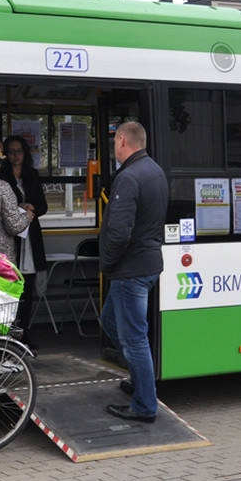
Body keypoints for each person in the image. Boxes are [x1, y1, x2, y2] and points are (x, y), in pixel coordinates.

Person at [100, 121, 167, 423]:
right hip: (146, 264)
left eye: (115, 141)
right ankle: (141, 382)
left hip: (129, 269)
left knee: (134, 338)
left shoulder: (128, 177)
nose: (114, 147)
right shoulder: (155, 170)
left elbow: (119, 232)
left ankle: (144, 405)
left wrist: (106, 264)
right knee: (110, 321)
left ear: (123, 140)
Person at [0, 135, 47, 349]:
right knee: (10, 290)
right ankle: (7, 336)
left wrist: (31, 207)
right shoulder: (2, 176)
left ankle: (24, 335)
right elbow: (2, 206)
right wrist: (19, 206)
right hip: (11, 238)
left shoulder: (32, 175)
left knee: (27, 290)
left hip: (30, 238)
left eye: (19, 151)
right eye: (11, 151)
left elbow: (43, 206)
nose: (16, 155)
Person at [0, 137, 33, 264]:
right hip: (0, 255)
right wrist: (27, 216)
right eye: (2, 151)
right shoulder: (1, 186)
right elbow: (13, 226)